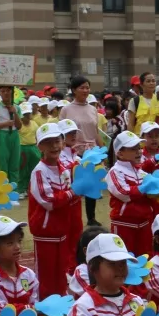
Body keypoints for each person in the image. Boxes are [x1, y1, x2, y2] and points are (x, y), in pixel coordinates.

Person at [29, 122, 79, 298]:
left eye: (57, 141)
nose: (54, 146)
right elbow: (48, 201)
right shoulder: (39, 171)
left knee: (60, 270)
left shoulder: (64, 170)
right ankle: (45, 307)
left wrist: (79, 190)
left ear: (63, 143)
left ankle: (59, 304)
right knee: (45, 272)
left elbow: (68, 197)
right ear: (40, 147)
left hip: (61, 229)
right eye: (47, 142)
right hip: (45, 231)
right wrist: (73, 193)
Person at [61, 76, 101, 224]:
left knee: (91, 185)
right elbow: (62, 132)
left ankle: (91, 218)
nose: (85, 90)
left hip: (92, 152)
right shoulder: (66, 109)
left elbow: (96, 131)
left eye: (87, 87)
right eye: (82, 87)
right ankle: (71, 217)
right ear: (74, 90)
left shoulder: (92, 109)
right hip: (73, 152)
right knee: (74, 185)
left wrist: (101, 150)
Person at [106, 131, 153, 256]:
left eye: (139, 148)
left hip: (143, 222)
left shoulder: (141, 172)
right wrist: (144, 188)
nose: (139, 151)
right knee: (123, 258)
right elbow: (124, 193)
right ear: (120, 153)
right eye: (133, 149)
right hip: (123, 224)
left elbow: (153, 194)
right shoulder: (115, 171)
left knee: (144, 259)